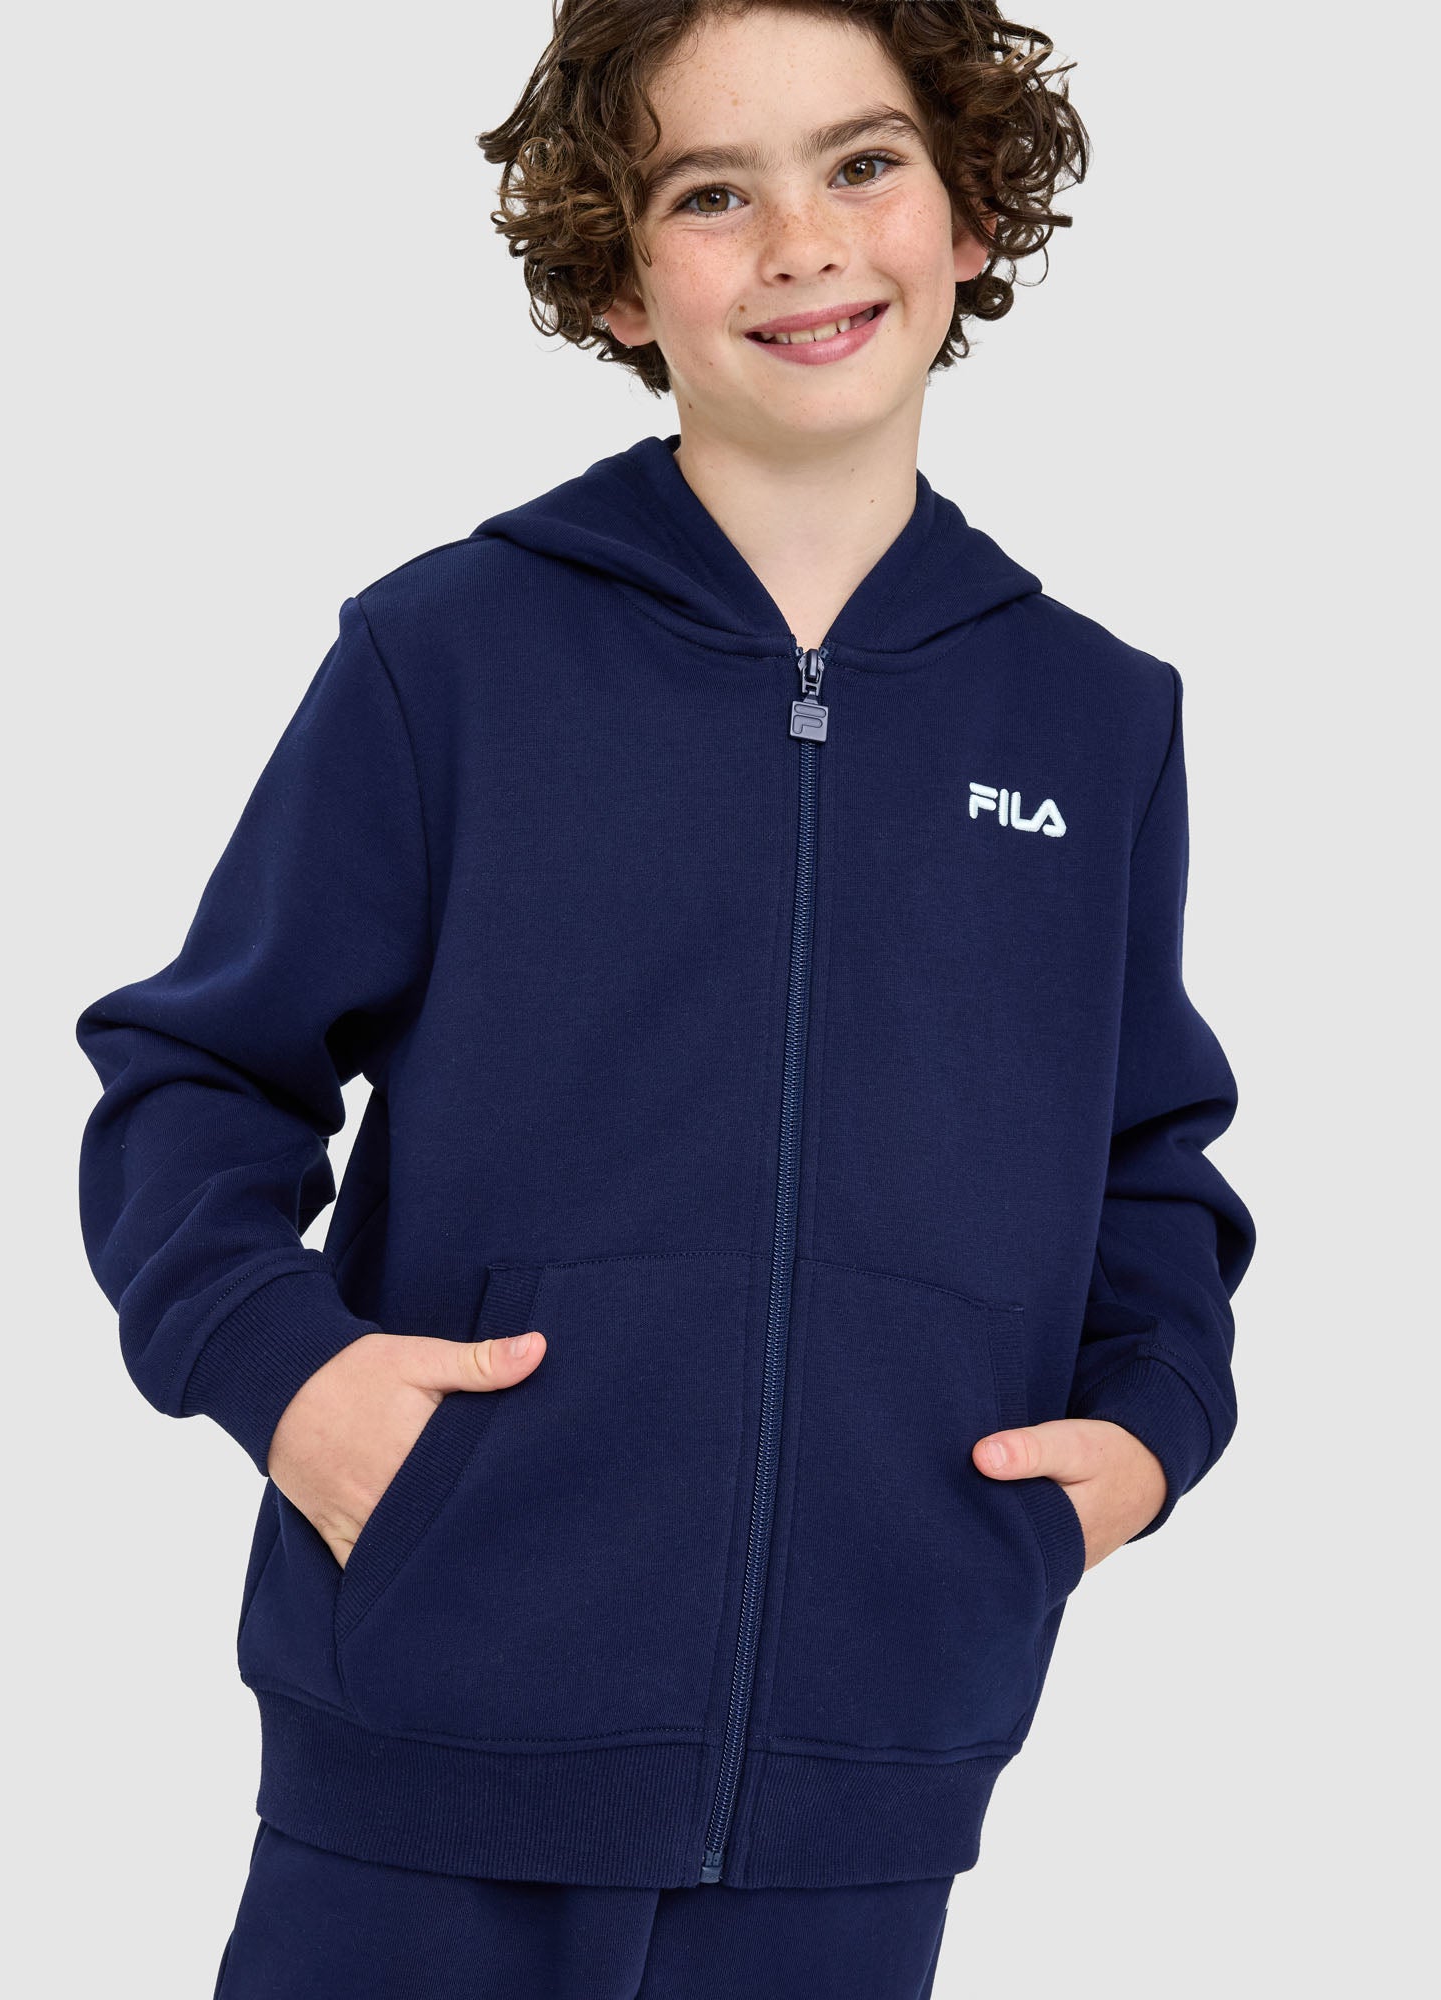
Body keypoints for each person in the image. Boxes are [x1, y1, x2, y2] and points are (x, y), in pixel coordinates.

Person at [75, 3, 1257, 1993]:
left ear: (970, 210)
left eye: (861, 163)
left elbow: (1150, 1158)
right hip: (431, 1744)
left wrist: (1146, 1429)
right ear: (621, 282)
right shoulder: (449, 656)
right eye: (714, 194)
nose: (802, 240)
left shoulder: (1091, 719)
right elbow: (194, 1071)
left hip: (871, 1769)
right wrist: (289, 1377)